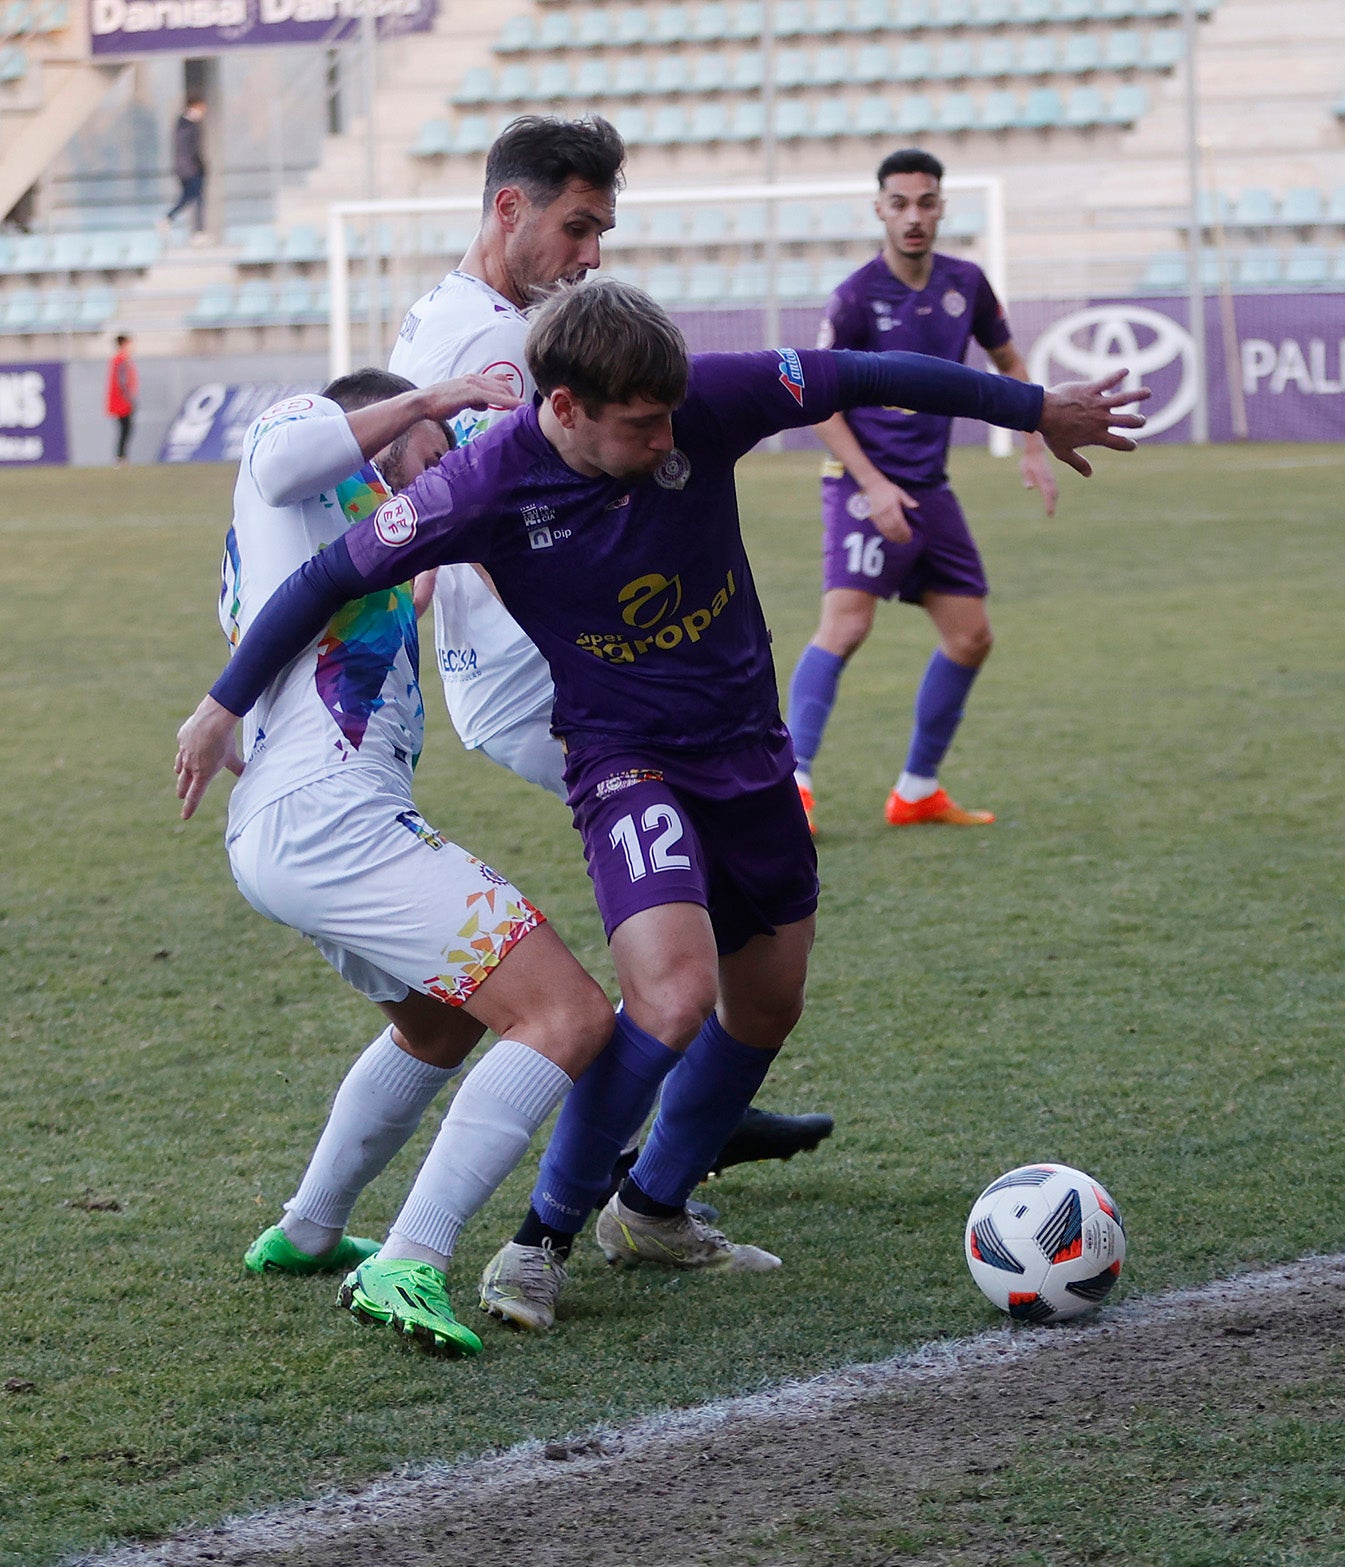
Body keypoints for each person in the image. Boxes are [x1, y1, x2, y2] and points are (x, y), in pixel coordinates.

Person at [173, 278, 1147, 1337]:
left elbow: (865, 374)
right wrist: (222, 706)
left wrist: (1034, 402)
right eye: (640, 425)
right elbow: (323, 576)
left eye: (670, 413)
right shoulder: (480, 485)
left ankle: (651, 1210)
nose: (666, 436)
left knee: (767, 1001)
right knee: (670, 995)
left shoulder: (705, 397)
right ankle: (538, 1238)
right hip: (623, 758)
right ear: (566, 409)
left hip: (746, 746)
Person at [388, 112, 835, 1244]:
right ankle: (652, 1143)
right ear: (509, 211)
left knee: (714, 950)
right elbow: (436, 502)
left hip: (556, 669)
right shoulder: (467, 339)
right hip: (537, 681)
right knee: (681, 957)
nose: (592, 257)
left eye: (602, 234)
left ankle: (684, 1109)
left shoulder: (514, 324)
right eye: (577, 229)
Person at [174, 366, 619, 1359]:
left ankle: (311, 1226)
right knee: (569, 1013)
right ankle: (409, 1255)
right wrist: (431, 395)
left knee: (438, 1020)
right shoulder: (303, 435)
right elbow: (287, 447)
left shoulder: (356, 528)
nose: (449, 458)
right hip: (326, 819)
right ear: (378, 435)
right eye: (437, 445)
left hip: (301, 825)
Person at [787, 148, 1059, 835]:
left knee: (970, 637)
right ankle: (791, 786)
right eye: (900, 203)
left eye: (926, 202)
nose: (914, 216)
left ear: (942, 208)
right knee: (846, 626)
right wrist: (873, 483)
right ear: (879, 208)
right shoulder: (855, 296)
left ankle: (916, 790)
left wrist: (1033, 441)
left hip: (930, 488)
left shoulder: (967, 283)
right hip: (862, 485)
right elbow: (820, 402)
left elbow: (1009, 362)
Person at [163, 96, 207, 241]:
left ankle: (170, 219)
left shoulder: (185, 125)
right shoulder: (186, 126)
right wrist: (198, 166)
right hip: (190, 169)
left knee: (191, 197)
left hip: (189, 168)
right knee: (193, 197)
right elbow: (189, 150)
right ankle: (197, 231)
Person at [106, 334, 137, 466]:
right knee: (125, 430)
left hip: (122, 401)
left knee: (125, 430)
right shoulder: (120, 360)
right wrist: (129, 399)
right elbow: (122, 382)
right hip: (122, 403)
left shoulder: (121, 360)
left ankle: (122, 457)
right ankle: (121, 457)